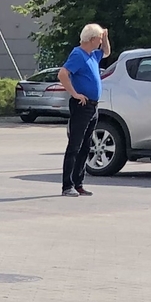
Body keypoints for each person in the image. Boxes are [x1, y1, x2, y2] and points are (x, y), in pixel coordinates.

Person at [60, 22, 107, 196]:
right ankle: (67, 185)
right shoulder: (78, 54)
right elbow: (63, 74)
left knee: (86, 145)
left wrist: (106, 37)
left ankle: (79, 182)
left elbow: (107, 52)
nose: (101, 42)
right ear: (92, 39)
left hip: (93, 106)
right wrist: (74, 93)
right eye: (100, 39)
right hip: (82, 105)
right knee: (75, 145)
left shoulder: (93, 55)